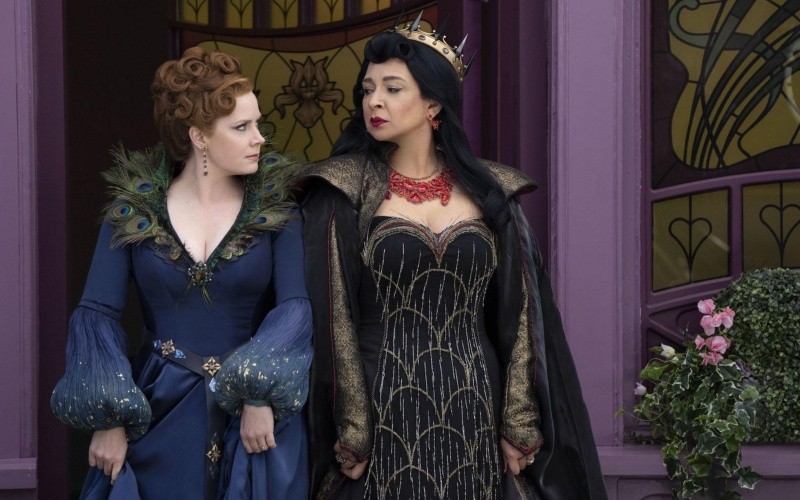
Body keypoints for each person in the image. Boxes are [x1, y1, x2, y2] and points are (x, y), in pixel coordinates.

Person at [301, 13, 607, 500]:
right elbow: (334, 312)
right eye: (367, 89)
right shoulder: (342, 190)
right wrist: (353, 425)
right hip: (383, 404)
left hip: (475, 404)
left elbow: (521, 314)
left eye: (392, 89)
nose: (373, 101)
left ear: (434, 104)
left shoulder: (491, 191)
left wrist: (519, 419)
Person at [51, 47, 312, 499]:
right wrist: (110, 420)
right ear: (199, 136)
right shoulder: (130, 213)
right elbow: (96, 315)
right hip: (158, 405)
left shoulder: (280, 214)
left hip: (252, 416)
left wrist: (258, 394)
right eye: (242, 127)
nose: (259, 138)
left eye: (257, 124)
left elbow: (294, 309)